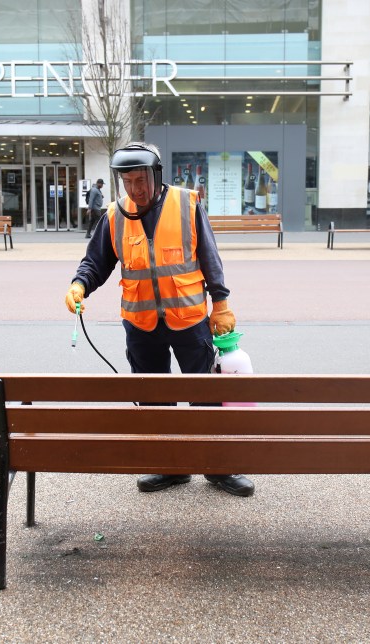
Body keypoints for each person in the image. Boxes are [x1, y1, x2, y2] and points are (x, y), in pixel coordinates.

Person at [64, 142, 255, 497]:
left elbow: (209, 257)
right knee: (153, 398)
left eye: (142, 180)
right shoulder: (115, 215)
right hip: (141, 322)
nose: (136, 189)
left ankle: (218, 467)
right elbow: (96, 262)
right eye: (128, 181)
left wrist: (222, 303)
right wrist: (79, 285)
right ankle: (171, 466)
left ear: (157, 175)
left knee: (204, 396)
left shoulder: (187, 204)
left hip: (190, 316)